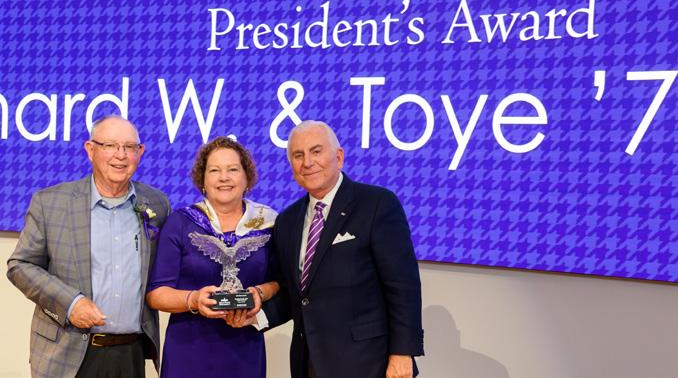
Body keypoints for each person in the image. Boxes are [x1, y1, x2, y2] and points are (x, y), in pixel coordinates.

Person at [6, 115, 171, 378]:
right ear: (90, 149)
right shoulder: (51, 203)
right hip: (66, 353)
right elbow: (20, 265)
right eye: (110, 145)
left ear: (140, 152)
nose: (121, 155)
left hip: (130, 353)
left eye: (129, 147)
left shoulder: (157, 204)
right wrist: (70, 303)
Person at [266, 120, 424, 378]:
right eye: (298, 155)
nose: (307, 162)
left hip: (368, 364)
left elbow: (402, 287)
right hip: (309, 362)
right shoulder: (287, 220)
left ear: (338, 157)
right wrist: (254, 316)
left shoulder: (377, 204)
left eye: (316, 151)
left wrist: (402, 353)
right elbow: (295, 296)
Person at [146, 136, 279, 378]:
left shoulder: (269, 222)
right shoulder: (181, 223)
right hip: (188, 351)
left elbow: (281, 281)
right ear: (203, 180)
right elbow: (156, 294)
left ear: (246, 178)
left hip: (245, 348)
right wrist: (194, 299)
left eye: (233, 169)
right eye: (214, 170)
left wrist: (259, 293)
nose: (224, 177)